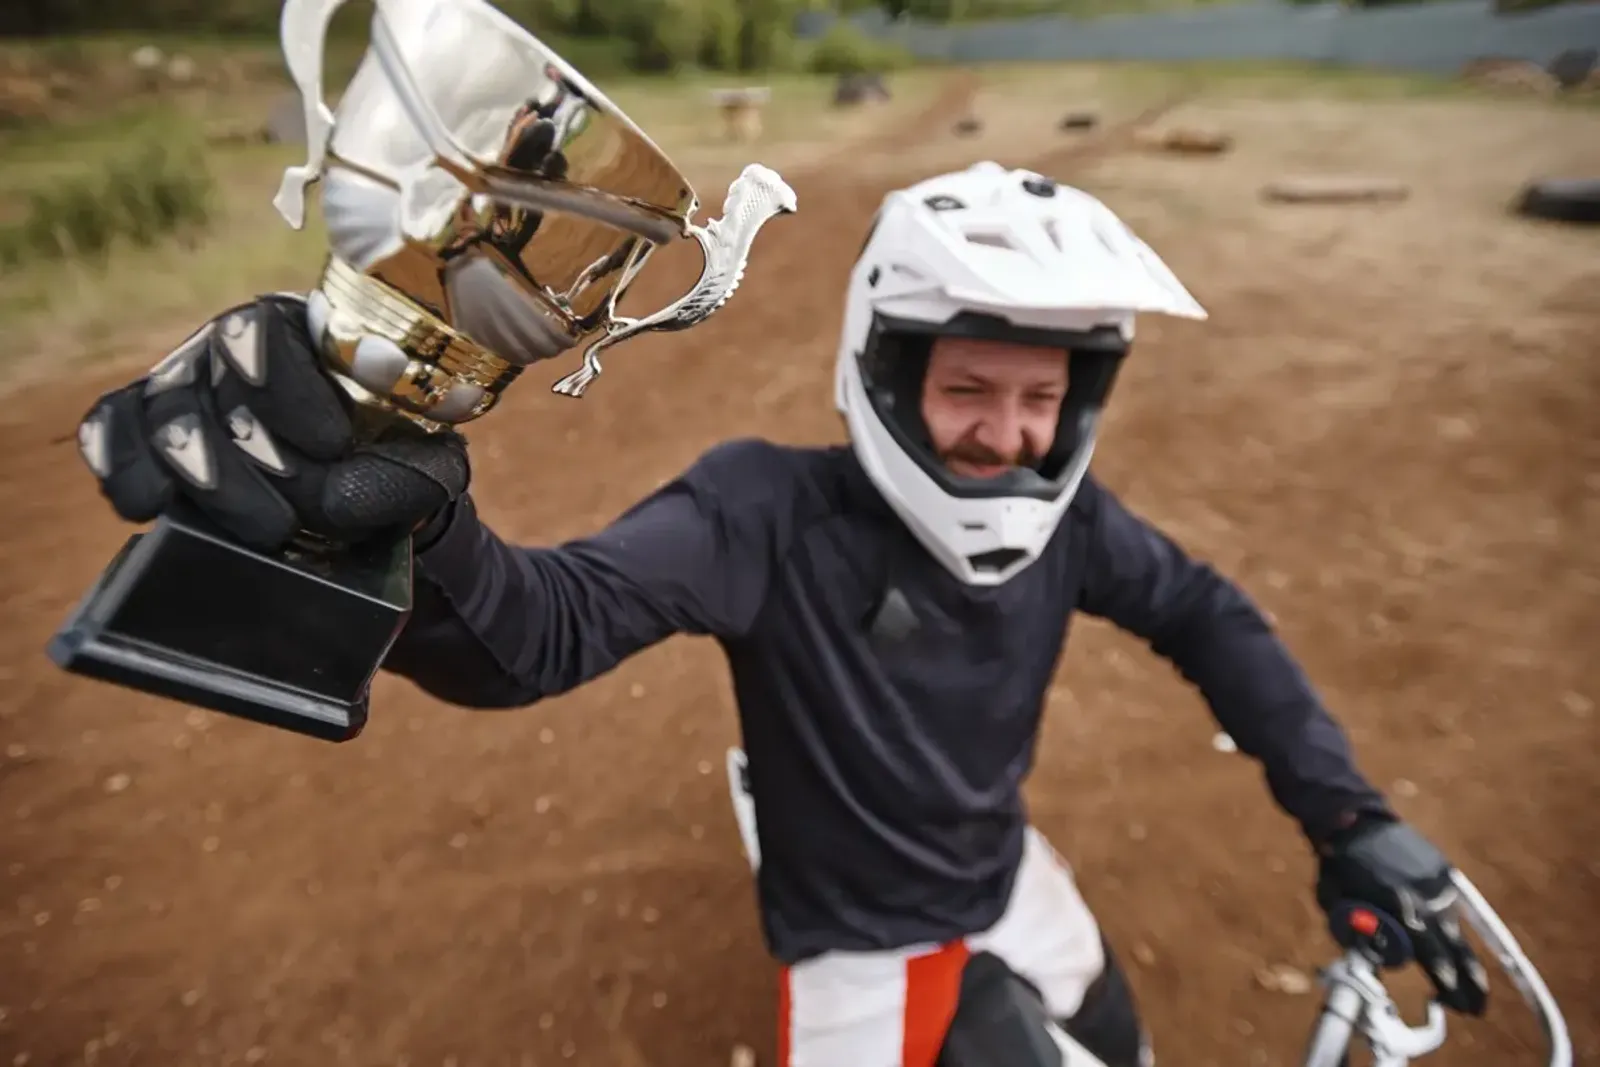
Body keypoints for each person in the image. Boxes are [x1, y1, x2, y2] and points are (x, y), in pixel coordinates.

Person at [74, 161, 1488, 1067]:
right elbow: (542, 632)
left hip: (1006, 877)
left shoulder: (1078, 523)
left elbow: (1208, 612)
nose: (1005, 433)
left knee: (1123, 1047)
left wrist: (1350, 816)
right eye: (969, 388)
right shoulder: (764, 508)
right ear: (891, 371)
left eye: (1039, 399)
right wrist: (425, 526)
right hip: (855, 944)